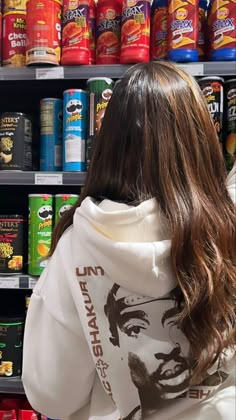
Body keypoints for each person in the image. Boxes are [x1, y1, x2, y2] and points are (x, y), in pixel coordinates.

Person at [22, 62, 236, 420]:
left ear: (109, 144)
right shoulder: (227, 226)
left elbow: (52, 395)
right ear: (201, 142)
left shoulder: (78, 245)